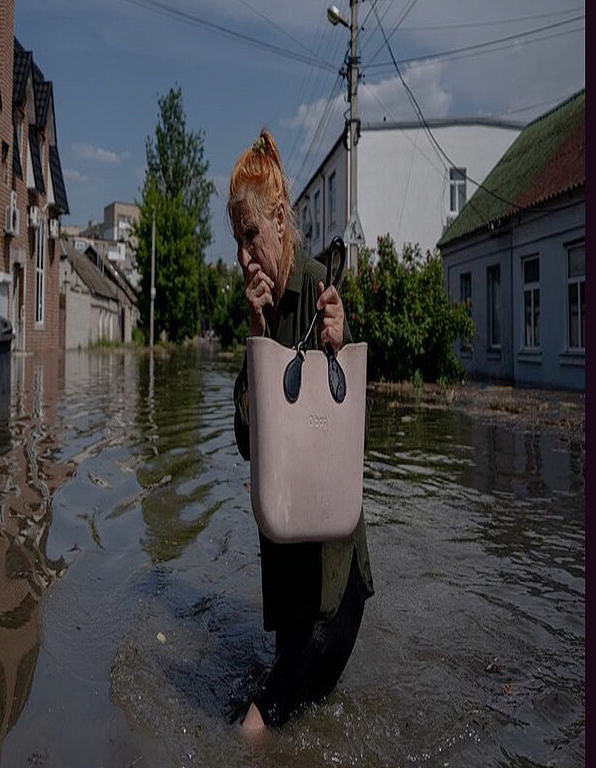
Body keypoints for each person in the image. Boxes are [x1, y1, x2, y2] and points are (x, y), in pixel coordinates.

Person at [228, 128, 374, 735]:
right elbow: (246, 444)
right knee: (299, 719)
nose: (243, 256)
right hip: (287, 574)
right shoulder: (256, 305)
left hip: (334, 581)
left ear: (281, 221)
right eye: (237, 241)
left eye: (250, 236)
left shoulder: (322, 293)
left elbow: (345, 435)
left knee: (256, 728)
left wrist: (335, 347)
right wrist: (258, 335)